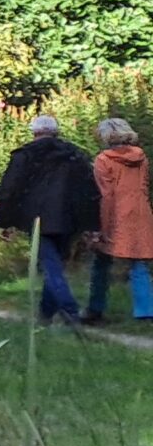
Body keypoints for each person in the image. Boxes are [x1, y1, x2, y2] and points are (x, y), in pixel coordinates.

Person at [0, 114, 101, 329]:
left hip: (36, 218)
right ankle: (45, 313)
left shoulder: (24, 155)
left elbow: (9, 188)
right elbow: (88, 191)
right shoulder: (74, 155)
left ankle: (69, 310)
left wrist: (4, 221)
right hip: (68, 218)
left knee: (51, 267)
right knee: (55, 265)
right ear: (56, 131)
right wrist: (90, 225)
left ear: (34, 132)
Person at [89, 118, 153, 324]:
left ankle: (95, 309)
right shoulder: (141, 158)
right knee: (138, 262)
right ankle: (146, 311)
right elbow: (143, 186)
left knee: (102, 262)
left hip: (116, 214)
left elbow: (106, 196)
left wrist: (102, 227)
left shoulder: (103, 160)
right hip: (141, 212)